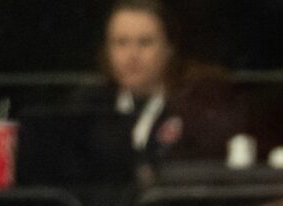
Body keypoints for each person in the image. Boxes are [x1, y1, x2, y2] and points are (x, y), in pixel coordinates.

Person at [76, 0, 241, 181]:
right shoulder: (88, 106)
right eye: (121, 43)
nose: (132, 55)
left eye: (145, 43)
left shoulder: (197, 105)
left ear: (169, 49)